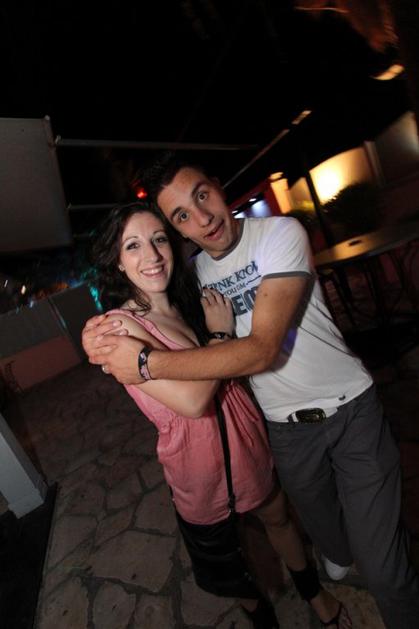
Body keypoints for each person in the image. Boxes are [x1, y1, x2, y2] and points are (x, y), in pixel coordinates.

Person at [83, 155, 419, 629]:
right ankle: (327, 564)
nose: (202, 218)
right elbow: (150, 332)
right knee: (306, 534)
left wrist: (144, 362)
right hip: (277, 430)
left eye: (202, 196)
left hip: (335, 411)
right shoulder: (187, 280)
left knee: (375, 564)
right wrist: (94, 336)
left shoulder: (277, 235)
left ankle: (355, 587)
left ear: (218, 187)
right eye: (181, 216)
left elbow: (260, 350)